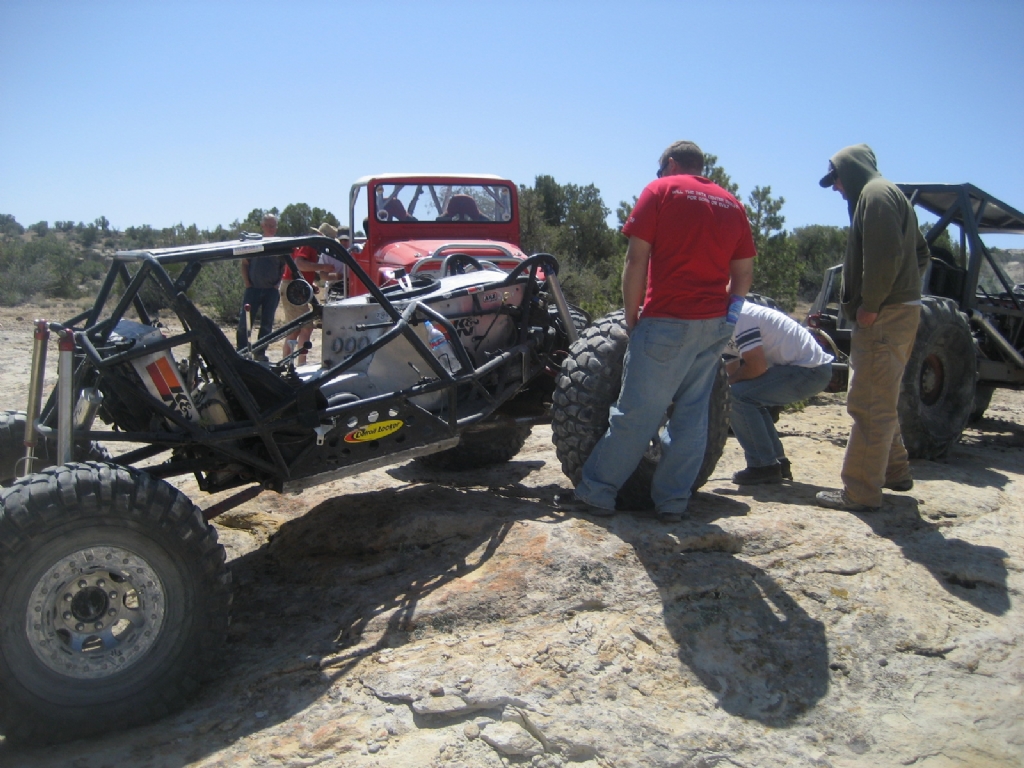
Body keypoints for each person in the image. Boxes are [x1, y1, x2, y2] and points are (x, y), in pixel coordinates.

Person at [562, 140, 756, 522]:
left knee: (636, 413)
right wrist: (729, 316)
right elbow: (744, 272)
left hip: (667, 319)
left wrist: (633, 317)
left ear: (669, 163)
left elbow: (636, 260)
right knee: (691, 416)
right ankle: (672, 503)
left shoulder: (661, 191)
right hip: (712, 324)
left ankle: (597, 492)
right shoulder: (732, 204)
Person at [815, 144, 930, 511]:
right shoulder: (889, 193)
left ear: (849, 171)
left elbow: (884, 257)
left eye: (835, 179)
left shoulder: (875, 196)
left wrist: (873, 304)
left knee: (867, 403)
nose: (836, 188)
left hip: (884, 315)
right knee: (882, 396)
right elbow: (922, 254)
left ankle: (861, 491)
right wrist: (905, 290)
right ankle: (895, 471)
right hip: (898, 312)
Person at [725, 302, 834, 484]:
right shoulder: (722, 326)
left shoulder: (740, 316)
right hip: (806, 369)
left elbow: (757, 367)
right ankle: (777, 462)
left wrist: (724, 389)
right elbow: (736, 374)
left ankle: (763, 465)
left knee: (737, 396)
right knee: (745, 396)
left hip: (810, 370)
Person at [237, 213, 284, 359]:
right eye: (268, 225)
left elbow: (283, 266)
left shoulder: (279, 245)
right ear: (262, 226)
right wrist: (248, 284)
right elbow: (245, 263)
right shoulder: (255, 243)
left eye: (273, 225)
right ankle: (242, 352)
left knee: (267, 323)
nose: (271, 228)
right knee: (245, 322)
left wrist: (277, 284)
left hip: (271, 290)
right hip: (253, 289)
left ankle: (260, 352)